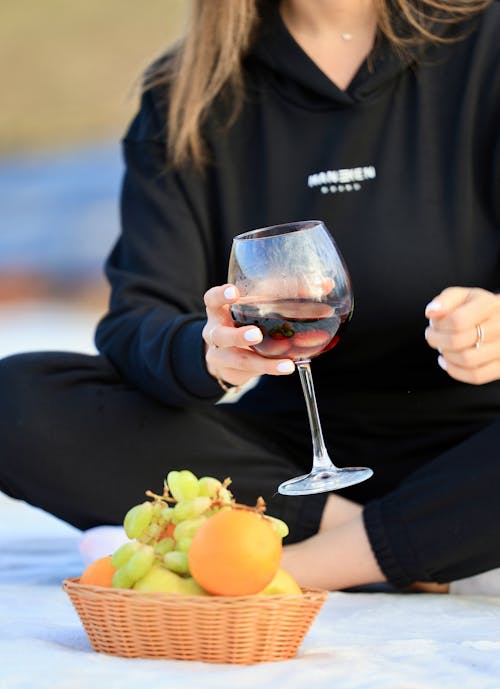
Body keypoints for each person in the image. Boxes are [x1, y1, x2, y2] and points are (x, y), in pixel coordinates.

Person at [0, 0, 499, 594]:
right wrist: (207, 352)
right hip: (282, 467)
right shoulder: (186, 93)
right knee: (17, 402)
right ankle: (413, 539)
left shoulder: (486, 41)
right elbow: (138, 318)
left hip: (479, 448)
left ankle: (295, 568)